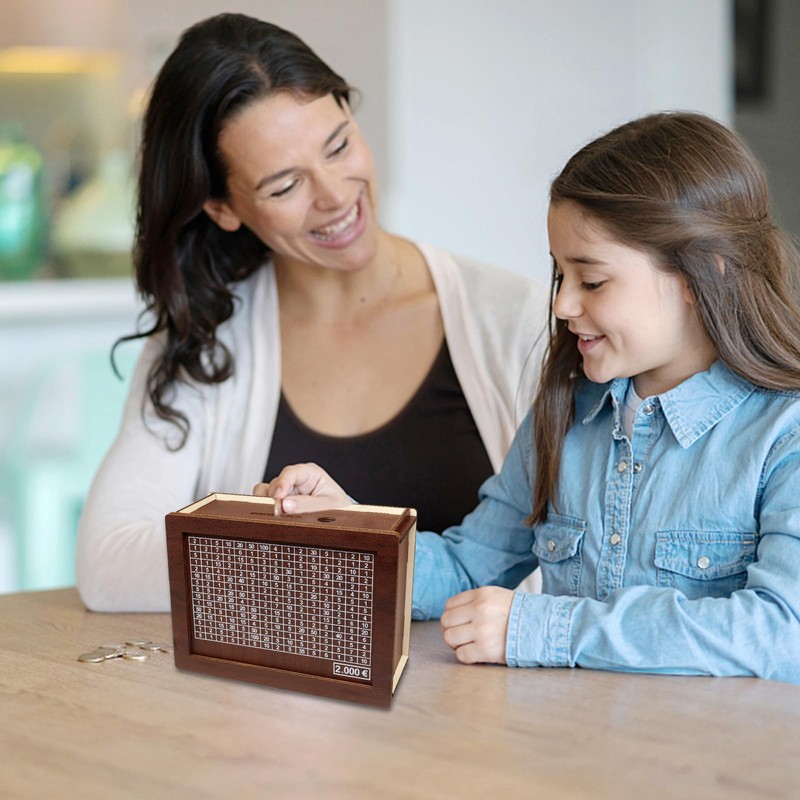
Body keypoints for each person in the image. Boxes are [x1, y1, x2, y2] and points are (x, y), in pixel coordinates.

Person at [261, 111, 800, 682]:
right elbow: (472, 566)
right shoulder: (567, 412)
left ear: (702, 274)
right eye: (559, 276)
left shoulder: (782, 433)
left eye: (591, 281)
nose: (562, 304)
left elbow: (780, 632)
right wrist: (347, 529)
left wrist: (544, 627)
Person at [75, 13, 547, 612]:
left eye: (339, 145)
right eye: (283, 186)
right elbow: (108, 563)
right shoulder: (203, 343)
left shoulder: (520, 321)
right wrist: (326, 554)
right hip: (274, 708)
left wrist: (282, 550)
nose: (334, 195)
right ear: (222, 208)